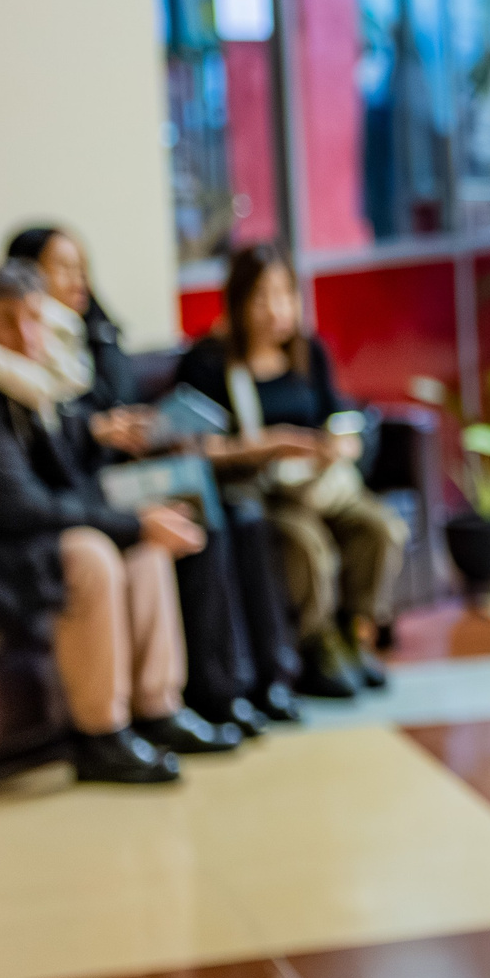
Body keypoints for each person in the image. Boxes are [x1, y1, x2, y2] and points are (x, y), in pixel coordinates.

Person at [7, 224, 299, 732]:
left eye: (82, 267)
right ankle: (215, 689)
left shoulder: (96, 335)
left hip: (127, 474)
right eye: (62, 267)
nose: (77, 279)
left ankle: (259, 678)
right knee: (191, 522)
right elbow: (50, 451)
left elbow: (122, 400)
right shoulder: (20, 362)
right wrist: (97, 433)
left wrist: (150, 428)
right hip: (93, 490)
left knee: (237, 512)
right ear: (27, 279)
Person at [0, 264, 241, 783]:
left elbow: (72, 475)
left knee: (144, 548)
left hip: (45, 536)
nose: (24, 336)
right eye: (6, 322)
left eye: (33, 321)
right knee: (95, 554)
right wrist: (130, 524)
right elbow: (21, 508)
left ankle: (158, 707)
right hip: (2, 556)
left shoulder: (38, 387)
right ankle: (99, 734)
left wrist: (107, 451)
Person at [175, 245, 405, 699]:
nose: (275, 309)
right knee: (307, 546)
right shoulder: (208, 362)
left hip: (320, 485)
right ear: (237, 300)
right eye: (261, 296)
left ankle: (350, 632)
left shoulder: (308, 354)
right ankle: (314, 645)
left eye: (283, 294)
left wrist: (341, 442)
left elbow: (334, 416)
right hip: (261, 493)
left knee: (380, 527)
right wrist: (268, 445)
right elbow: (192, 446)